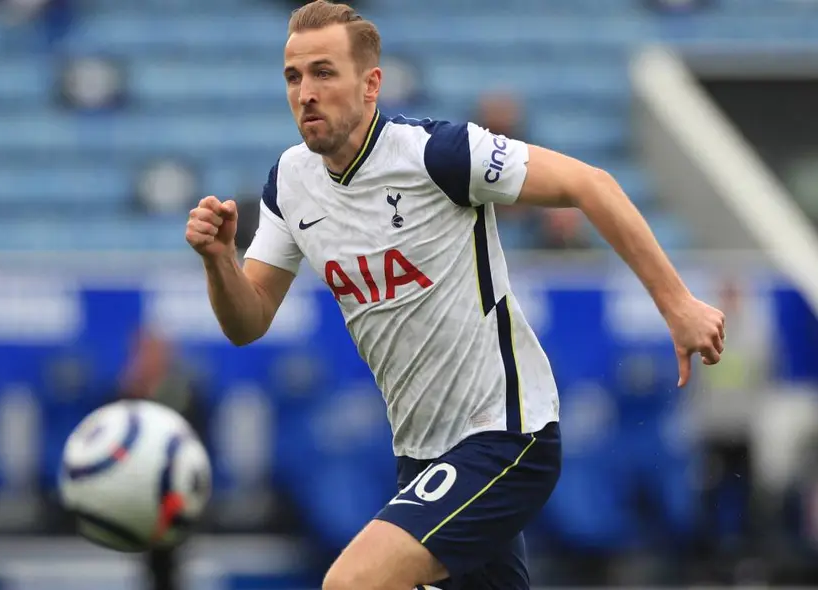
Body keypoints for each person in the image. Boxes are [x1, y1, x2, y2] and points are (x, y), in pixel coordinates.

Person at [184, 2, 726, 589]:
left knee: (351, 584)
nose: (306, 92)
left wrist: (678, 305)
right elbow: (248, 320)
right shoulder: (290, 183)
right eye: (294, 76)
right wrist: (220, 263)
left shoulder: (437, 155)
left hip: (503, 436)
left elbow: (591, 184)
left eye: (324, 72)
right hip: (420, 456)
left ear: (371, 85)